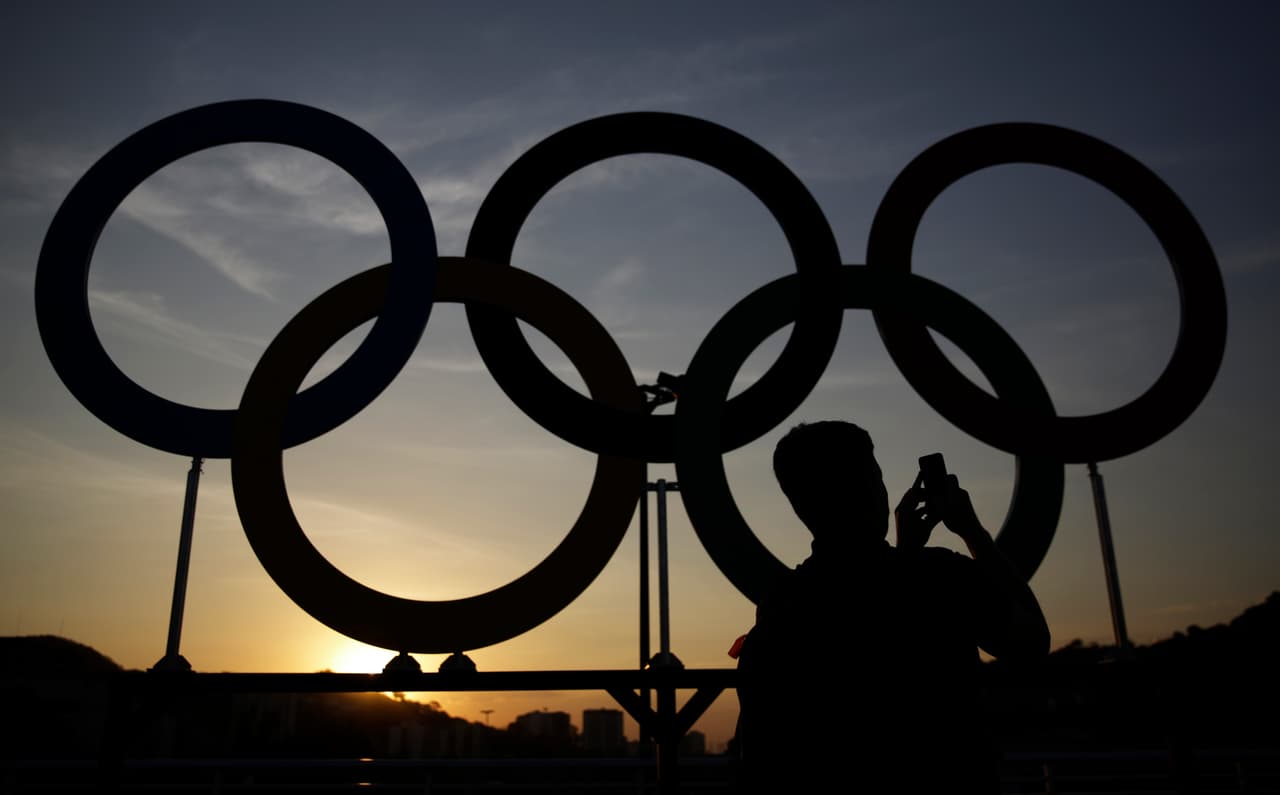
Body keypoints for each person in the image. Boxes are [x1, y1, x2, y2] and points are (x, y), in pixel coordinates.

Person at [734, 421, 1049, 793]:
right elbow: (1032, 642)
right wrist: (972, 531)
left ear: (799, 503)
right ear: (872, 487)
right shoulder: (941, 578)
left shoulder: (782, 602)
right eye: (876, 474)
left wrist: (905, 556)